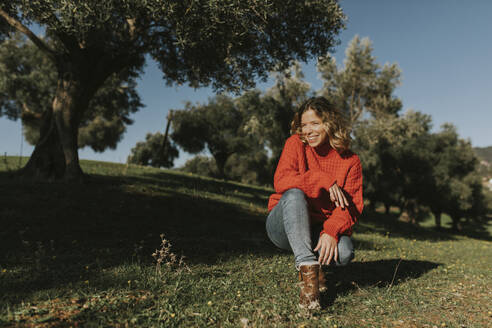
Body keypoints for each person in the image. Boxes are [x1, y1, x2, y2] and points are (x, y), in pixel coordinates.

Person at [265, 96, 363, 309]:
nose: (307, 131)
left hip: (318, 227)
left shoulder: (350, 161)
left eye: (315, 123)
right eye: (303, 125)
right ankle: (309, 275)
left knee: (345, 252)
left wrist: (331, 230)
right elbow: (281, 181)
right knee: (294, 193)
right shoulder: (295, 144)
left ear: (330, 124)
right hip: (283, 224)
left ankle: (319, 268)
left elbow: (352, 207)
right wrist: (322, 180)